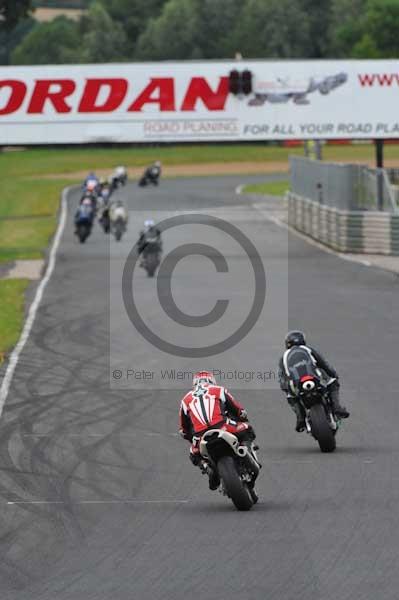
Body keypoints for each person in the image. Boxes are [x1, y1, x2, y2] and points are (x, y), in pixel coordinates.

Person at [179, 371, 255, 490]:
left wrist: (191, 437)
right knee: (247, 429)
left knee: (193, 454)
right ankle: (245, 451)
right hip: (223, 426)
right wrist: (242, 416)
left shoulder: (185, 400)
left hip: (201, 436)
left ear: (194, 384)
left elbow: (183, 429)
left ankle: (207, 467)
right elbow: (238, 410)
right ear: (212, 381)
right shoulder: (218, 389)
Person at [278, 330, 350, 432]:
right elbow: (323, 363)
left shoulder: (283, 358)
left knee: (291, 397)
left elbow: (281, 378)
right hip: (315, 380)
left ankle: (300, 419)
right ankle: (337, 407)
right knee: (332, 382)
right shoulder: (308, 349)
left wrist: (286, 389)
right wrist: (333, 374)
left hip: (296, 385)